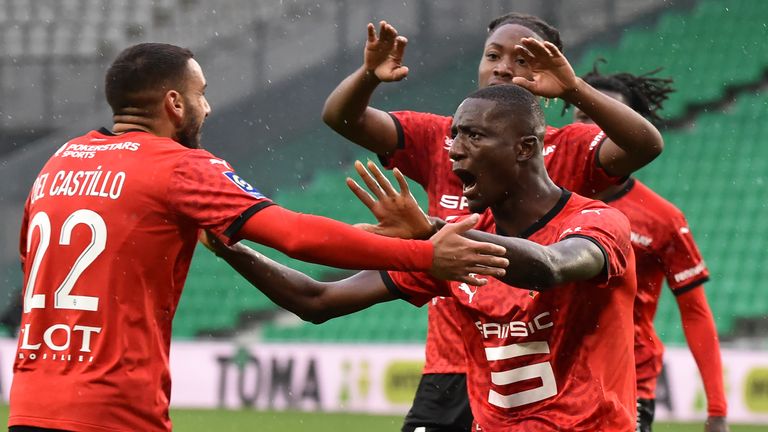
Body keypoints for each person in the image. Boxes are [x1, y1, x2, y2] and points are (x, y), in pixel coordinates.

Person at [9, 43, 510, 432]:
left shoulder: (58, 164)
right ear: (174, 103)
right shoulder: (180, 166)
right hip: (111, 406)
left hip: (31, 399)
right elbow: (293, 234)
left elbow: (31, 262)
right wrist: (425, 252)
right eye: (201, 93)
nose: (207, 107)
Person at [206, 84, 639, 430]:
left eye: (474, 134)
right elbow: (318, 301)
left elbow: (551, 266)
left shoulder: (598, 221)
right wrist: (233, 249)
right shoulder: (455, 246)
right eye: (453, 135)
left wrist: (432, 232)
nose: (454, 149)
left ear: (525, 148)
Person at [321, 13, 664, 431]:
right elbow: (342, 118)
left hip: (540, 368)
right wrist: (368, 76)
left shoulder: (564, 147)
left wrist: (575, 89)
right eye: (493, 55)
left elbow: (644, 145)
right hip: (451, 367)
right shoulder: (442, 139)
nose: (503, 67)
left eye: (522, 59)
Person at [568, 62, 729, 432]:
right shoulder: (539, 199)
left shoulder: (663, 218)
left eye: (607, 116)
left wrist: (717, 410)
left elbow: (695, 313)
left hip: (628, 380)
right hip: (552, 369)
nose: (592, 127)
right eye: (583, 114)